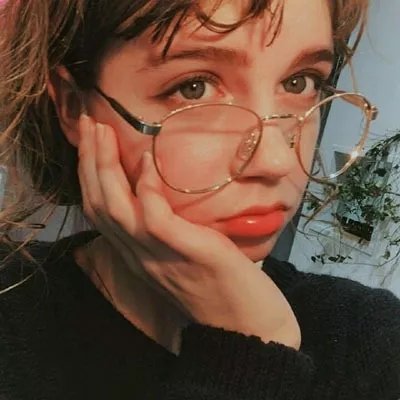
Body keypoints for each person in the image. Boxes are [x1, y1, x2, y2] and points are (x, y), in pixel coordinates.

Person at [0, 0, 399, 399]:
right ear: (74, 106)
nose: (276, 161)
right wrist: (248, 354)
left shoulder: (373, 343)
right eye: (194, 88)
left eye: (300, 83)